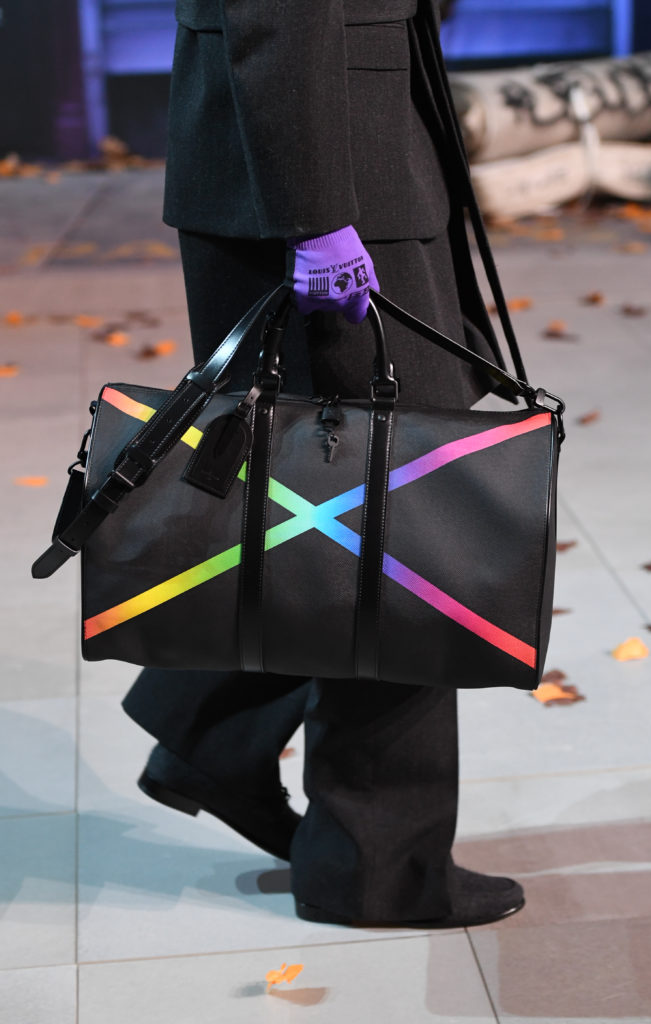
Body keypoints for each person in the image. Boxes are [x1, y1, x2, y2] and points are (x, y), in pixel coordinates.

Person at [122, 0, 525, 927]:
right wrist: (315, 219)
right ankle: (376, 865)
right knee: (397, 526)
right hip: (327, 183)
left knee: (330, 513)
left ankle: (211, 731)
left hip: (344, 161)